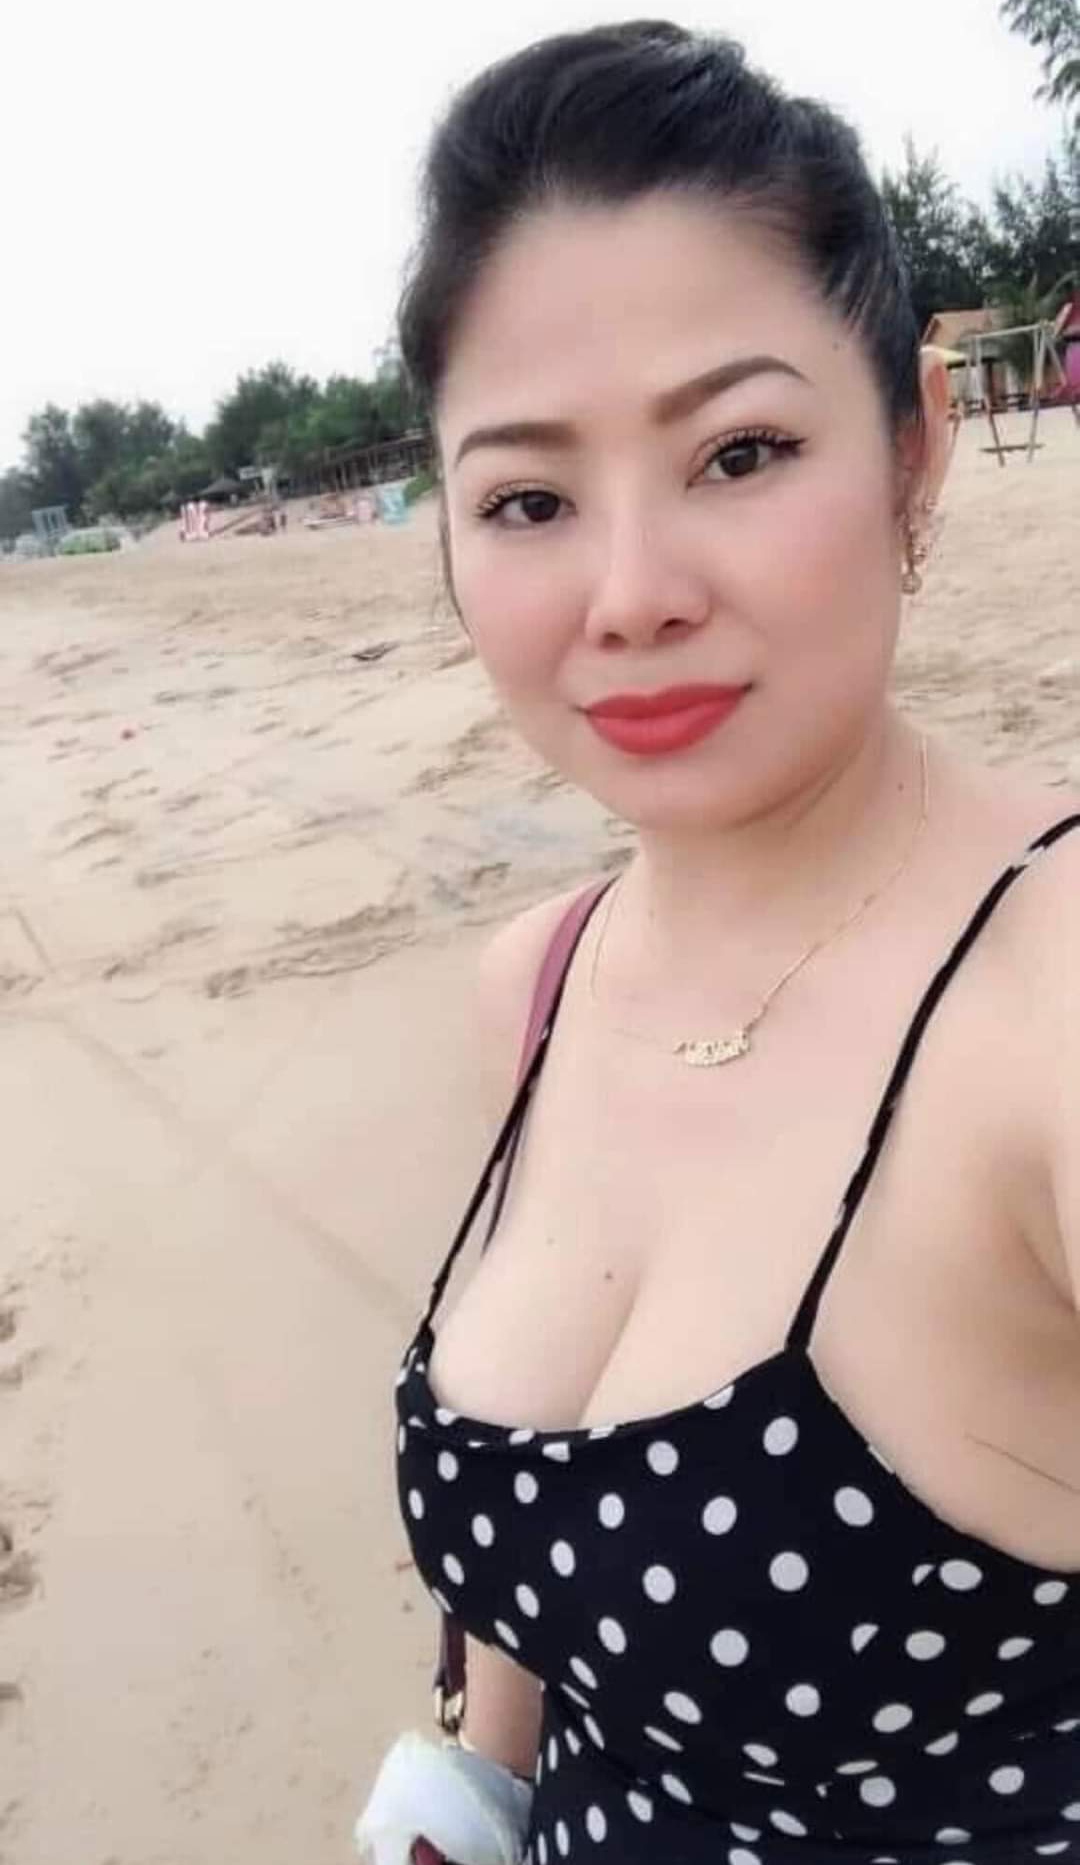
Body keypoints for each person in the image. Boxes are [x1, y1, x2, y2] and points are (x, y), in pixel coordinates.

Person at [355, 22, 1080, 1865]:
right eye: (528, 499)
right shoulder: (538, 988)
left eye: (740, 452)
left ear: (915, 449)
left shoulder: (1052, 1000)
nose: (632, 593)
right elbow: (540, 1570)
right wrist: (470, 1791)